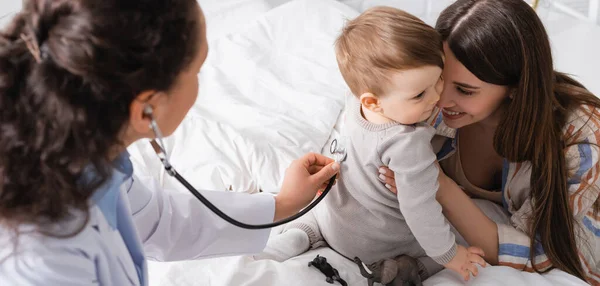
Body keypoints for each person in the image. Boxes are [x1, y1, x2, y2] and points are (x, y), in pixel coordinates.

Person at [0, 0, 340, 285]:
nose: (200, 84)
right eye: (196, 71)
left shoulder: (85, 154)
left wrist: (280, 204)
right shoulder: (43, 264)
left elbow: (155, 220)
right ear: (147, 109)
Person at [254, 7, 485, 282]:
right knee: (449, 237)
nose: (436, 97)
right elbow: (421, 212)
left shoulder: (354, 105)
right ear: (372, 101)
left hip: (332, 219)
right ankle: (406, 268)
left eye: (439, 80)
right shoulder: (409, 145)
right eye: (420, 94)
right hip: (376, 245)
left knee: (318, 215)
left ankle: (299, 235)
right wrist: (451, 255)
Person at [379, 0, 600, 284]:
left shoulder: (579, 138)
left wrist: (438, 184)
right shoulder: (422, 97)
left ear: (515, 89)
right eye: (440, 78)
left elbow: (541, 254)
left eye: (464, 90)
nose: (442, 100)